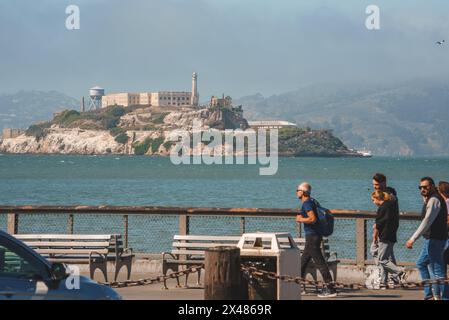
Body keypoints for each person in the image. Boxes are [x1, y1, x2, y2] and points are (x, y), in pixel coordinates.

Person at [406, 177, 449, 300]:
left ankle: (444, 297)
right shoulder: (430, 199)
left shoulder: (434, 200)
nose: (423, 189)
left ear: (432, 186)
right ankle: (430, 293)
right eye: (421, 187)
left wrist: (412, 238)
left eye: (426, 187)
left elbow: (427, 220)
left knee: (438, 270)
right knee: (421, 263)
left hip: (436, 239)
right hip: (431, 239)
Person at [296, 182, 337, 298]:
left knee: (320, 263)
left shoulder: (307, 203)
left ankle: (331, 288)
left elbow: (312, 219)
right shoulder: (313, 201)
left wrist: (300, 219)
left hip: (312, 236)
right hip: (314, 236)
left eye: (297, 190)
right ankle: (296, 287)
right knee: (303, 262)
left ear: (302, 192)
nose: (296, 192)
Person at [371, 191, 406, 289]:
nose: (373, 202)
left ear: (377, 198)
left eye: (373, 200)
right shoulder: (390, 206)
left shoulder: (382, 208)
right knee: (385, 259)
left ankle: (399, 272)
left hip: (384, 237)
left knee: (382, 260)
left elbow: (379, 224)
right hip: (391, 236)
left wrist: (374, 236)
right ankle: (383, 282)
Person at [371, 173, 400, 269]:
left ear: (384, 183)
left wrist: (376, 230)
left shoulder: (389, 195)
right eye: (374, 185)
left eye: (377, 184)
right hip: (386, 228)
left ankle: (396, 274)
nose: (375, 187)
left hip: (386, 229)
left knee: (383, 256)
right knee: (388, 255)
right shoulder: (384, 194)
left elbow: (386, 211)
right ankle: (390, 278)